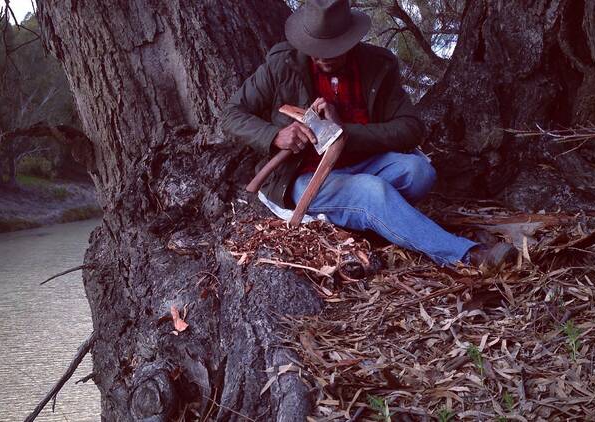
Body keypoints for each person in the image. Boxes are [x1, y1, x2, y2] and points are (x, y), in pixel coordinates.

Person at [221, 0, 517, 269]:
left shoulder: (378, 66)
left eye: (333, 50)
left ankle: (379, 217)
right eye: (317, 49)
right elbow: (231, 115)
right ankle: (467, 255)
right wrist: (275, 136)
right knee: (372, 193)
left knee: (419, 172)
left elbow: (411, 127)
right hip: (302, 177)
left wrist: (342, 132)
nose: (323, 58)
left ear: (351, 40)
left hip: (364, 163)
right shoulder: (282, 64)